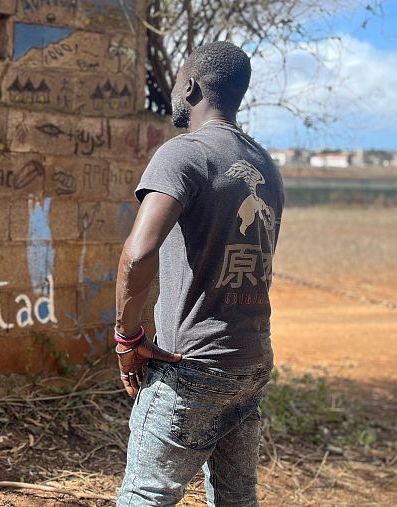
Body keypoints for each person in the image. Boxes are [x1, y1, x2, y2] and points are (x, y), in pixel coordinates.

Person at [114, 41, 285, 506]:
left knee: (146, 495)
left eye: (176, 81)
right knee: (236, 497)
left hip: (191, 366)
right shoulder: (265, 165)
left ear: (188, 86)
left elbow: (137, 254)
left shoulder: (183, 154)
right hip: (250, 360)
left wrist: (128, 339)